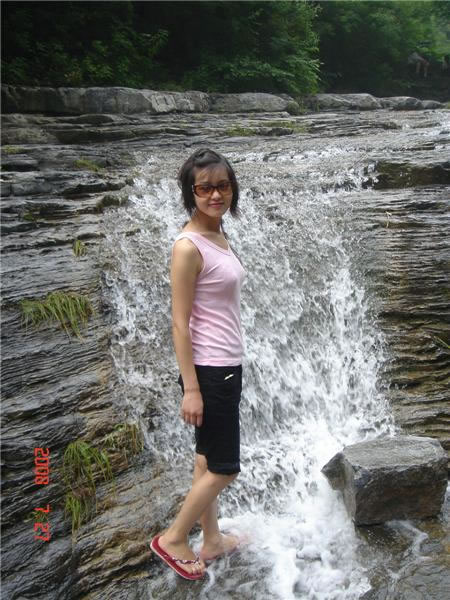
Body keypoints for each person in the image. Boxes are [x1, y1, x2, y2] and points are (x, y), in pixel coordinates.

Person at [150, 148, 246, 580]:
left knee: (205, 461)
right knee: (225, 468)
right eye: (204, 188)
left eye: (222, 186)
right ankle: (173, 537)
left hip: (226, 365)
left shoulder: (218, 234)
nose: (215, 195)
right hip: (209, 371)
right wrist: (191, 388)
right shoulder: (188, 247)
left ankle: (212, 540)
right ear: (190, 192)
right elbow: (179, 322)